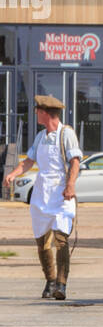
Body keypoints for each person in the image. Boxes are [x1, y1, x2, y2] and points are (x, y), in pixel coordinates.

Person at [3, 95, 81, 300]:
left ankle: (62, 285)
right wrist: (13, 173)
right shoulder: (40, 136)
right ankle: (50, 280)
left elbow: (75, 162)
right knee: (42, 242)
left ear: (45, 112)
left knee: (61, 239)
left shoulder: (66, 134)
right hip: (41, 195)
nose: (36, 113)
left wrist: (70, 186)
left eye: (38, 110)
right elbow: (29, 161)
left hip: (61, 195)